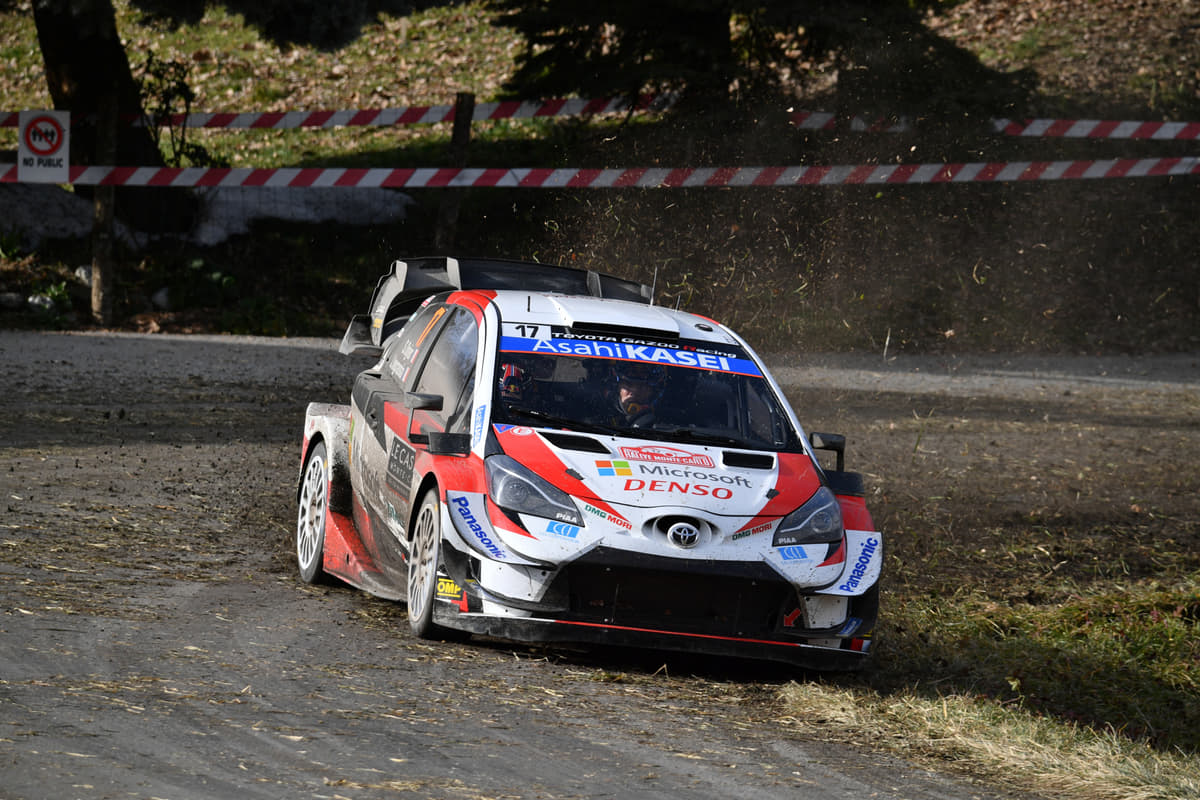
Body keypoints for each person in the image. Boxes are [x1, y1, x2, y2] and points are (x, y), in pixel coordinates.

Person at [609, 361, 666, 427]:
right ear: (617, 387)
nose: (635, 391)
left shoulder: (665, 424)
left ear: (653, 392)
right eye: (628, 384)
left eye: (642, 386)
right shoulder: (600, 415)